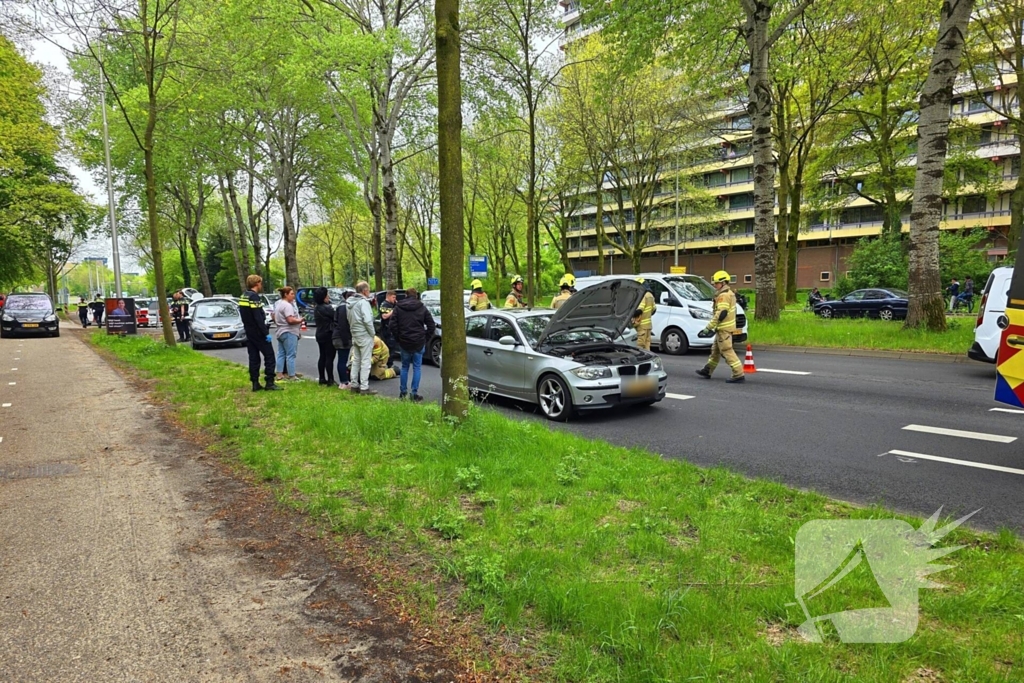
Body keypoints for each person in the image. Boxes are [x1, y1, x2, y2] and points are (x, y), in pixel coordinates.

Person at [695, 270, 744, 383]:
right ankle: (708, 370)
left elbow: (720, 313)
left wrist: (709, 327)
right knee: (715, 351)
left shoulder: (723, 296)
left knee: (727, 351)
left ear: (723, 283)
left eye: (716, 283)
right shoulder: (729, 293)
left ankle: (738, 373)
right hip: (723, 329)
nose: (714, 285)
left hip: (723, 329)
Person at [389, 287, 436, 401]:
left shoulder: (398, 308)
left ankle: (403, 393)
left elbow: (392, 325)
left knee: (404, 367)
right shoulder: (422, 308)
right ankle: (414, 393)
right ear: (416, 296)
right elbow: (431, 326)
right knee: (417, 368)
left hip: (404, 342)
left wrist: (398, 338)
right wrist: (425, 338)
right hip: (418, 342)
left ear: (406, 295)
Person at [238, 274, 281, 391]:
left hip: (249, 331)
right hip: (258, 332)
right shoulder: (254, 297)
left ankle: (255, 382)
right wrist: (265, 333)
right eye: (260, 283)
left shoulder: (244, 296)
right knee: (270, 356)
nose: (261, 285)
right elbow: (257, 317)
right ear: (257, 283)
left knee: (254, 357)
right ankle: (270, 382)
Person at [347, 281, 377, 395]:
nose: (369, 293)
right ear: (364, 291)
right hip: (365, 334)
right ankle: (364, 387)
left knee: (356, 360)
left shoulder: (349, 303)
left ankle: (354, 385)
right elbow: (368, 320)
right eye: (368, 290)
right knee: (365, 361)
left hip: (355, 333)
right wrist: (372, 333)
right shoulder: (363, 303)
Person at [273, 286, 304, 381]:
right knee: (291, 354)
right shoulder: (287, 306)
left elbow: (274, 316)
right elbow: (290, 320)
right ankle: (292, 376)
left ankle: (279, 374)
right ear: (285, 294)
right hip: (289, 332)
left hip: (280, 331)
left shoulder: (279, 304)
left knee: (281, 354)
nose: (293, 296)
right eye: (291, 294)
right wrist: (300, 320)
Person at [312, 287, 336, 386]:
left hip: (319, 333)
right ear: (324, 297)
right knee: (330, 357)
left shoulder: (317, 308)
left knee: (322, 356)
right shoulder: (327, 308)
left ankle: (322, 377)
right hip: (328, 333)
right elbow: (335, 316)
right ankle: (330, 379)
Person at [332, 288, 355, 389]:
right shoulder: (345, 308)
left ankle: (344, 381)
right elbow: (343, 325)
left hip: (338, 336)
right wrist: (346, 340)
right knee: (342, 360)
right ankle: (344, 382)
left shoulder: (340, 307)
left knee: (342, 359)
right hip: (342, 337)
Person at [634, 278, 656, 351]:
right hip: (649, 326)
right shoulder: (650, 295)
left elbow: (639, 310)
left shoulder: (643, 296)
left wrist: (630, 314)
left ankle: (641, 360)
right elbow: (654, 309)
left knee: (640, 345)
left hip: (642, 326)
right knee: (647, 345)